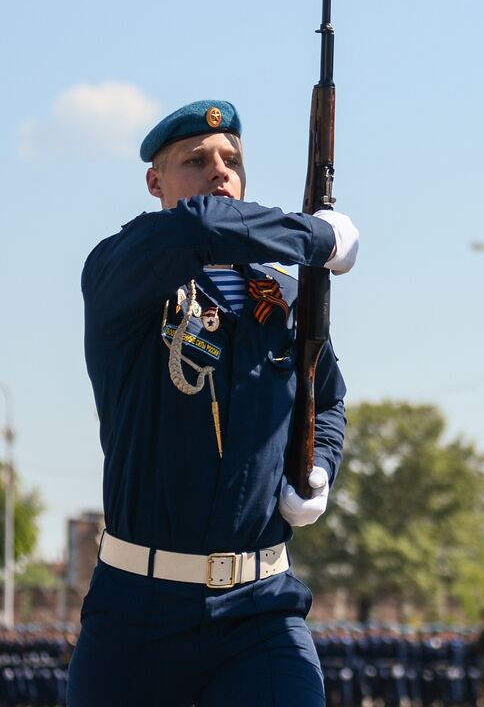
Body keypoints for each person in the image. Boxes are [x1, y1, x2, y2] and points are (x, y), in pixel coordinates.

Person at [68, 99, 359, 706]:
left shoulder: (280, 298)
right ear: (155, 182)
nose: (219, 171)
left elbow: (326, 399)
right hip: (138, 612)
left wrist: (318, 468)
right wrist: (318, 236)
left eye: (231, 160)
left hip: (261, 610)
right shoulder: (122, 270)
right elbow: (199, 226)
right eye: (195, 160)